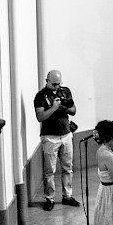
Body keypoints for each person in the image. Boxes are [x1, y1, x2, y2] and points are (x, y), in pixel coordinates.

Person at [33, 70, 80, 211]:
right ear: (46, 80)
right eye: (54, 84)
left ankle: (67, 196)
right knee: (49, 171)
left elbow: (73, 110)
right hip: (50, 137)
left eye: (59, 84)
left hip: (66, 135)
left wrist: (63, 106)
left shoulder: (65, 91)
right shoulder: (40, 96)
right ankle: (50, 198)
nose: (57, 87)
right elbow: (40, 117)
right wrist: (54, 107)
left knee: (68, 168)